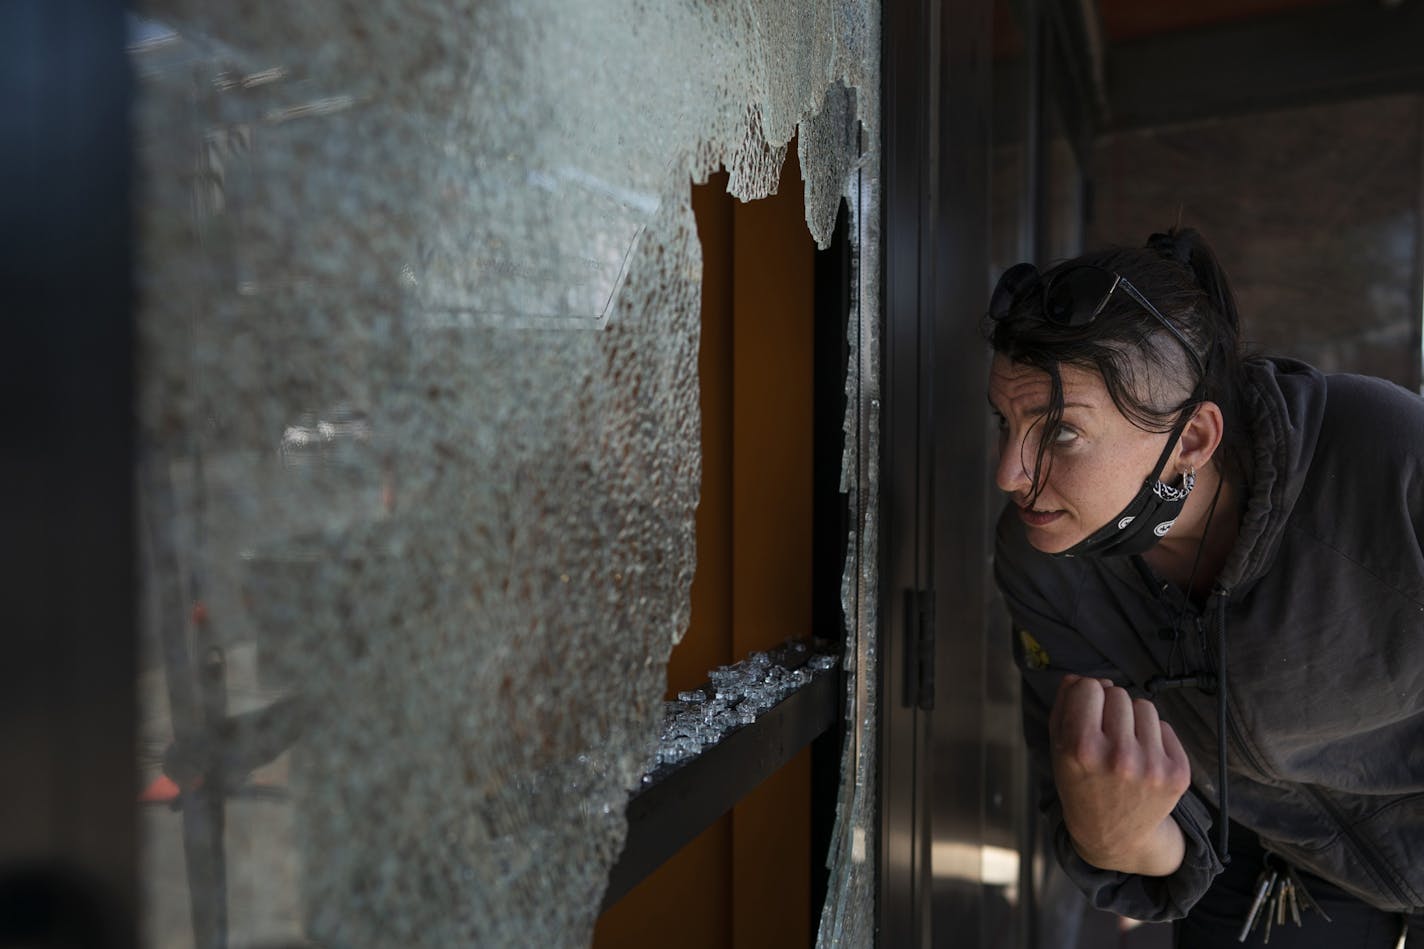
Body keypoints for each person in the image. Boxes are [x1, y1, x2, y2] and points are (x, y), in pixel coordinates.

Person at [983, 228, 1424, 947]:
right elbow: (1133, 829)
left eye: (1059, 433)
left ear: (1191, 440)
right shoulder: (1043, 557)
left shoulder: (1388, 455)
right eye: (1005, 423)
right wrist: (1114, 832)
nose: (1008, 472)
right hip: (1267, 850)